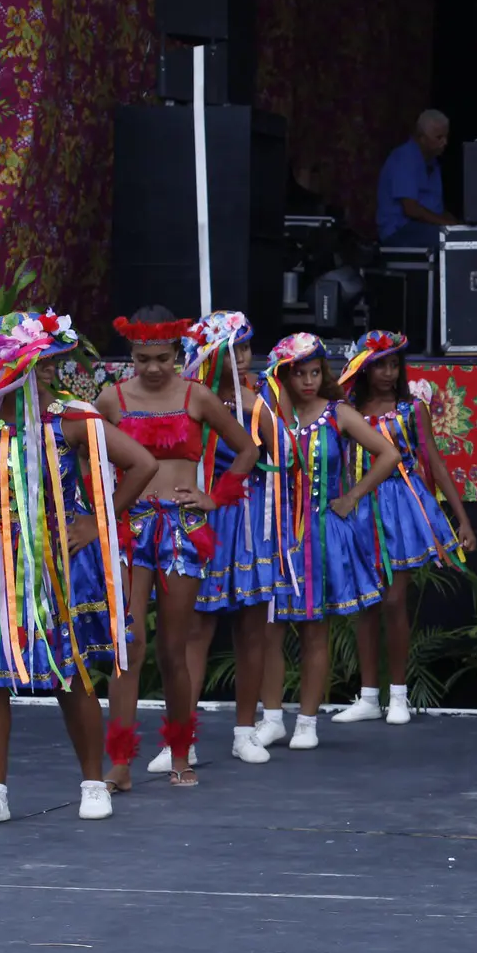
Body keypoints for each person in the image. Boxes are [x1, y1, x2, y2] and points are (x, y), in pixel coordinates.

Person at [0, 310, 156, 827]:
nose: (44, 372)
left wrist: (94, 524)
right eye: (34, 364)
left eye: (48, 364)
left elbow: (142, 464)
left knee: (73, 673)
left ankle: (93, 783)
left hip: (55, 563)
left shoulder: (71, 416)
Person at [95, 308, 260, 789]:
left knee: (173, 646)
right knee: (129, 645)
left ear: (177, 354)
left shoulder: (197, 396)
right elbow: (83, 451)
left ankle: (181, 754)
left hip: (182, 531)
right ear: (131, 355)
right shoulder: (111, 399)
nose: (152, 368)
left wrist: (214, 497)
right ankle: (121, 763)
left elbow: (246, 449)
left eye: (162, 358)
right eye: (143, 358)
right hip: (131, 529)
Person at [256, 334, 402, 749]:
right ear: (283, 375)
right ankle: (271, 718)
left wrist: (352, 496)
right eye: (299, 373)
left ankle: (306, 722)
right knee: (269, 629)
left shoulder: (338, 413)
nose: (307, 381)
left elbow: (388, 455)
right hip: (276, 534)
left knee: (314, 631)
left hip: (321, 534)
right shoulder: (269, 416)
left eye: (315, 372)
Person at [328, 331, 477, 726]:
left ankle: (398, 695)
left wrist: (461, 519)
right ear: (363, 368)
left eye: (395, 364)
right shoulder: (344, 410)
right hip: (358, 508)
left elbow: (437, 463)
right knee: (366, 604)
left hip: (403, 507)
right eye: (380, 365)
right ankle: (367, 697)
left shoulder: (412, 410)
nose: (389, 372)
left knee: (394, 601)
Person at [178, 311, 284, 766]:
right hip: (203, 520)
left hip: (250, 520)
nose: (244, 358)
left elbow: (287, 456)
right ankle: (181, 737)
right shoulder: (189, 399)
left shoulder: (259, 400)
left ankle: (245, 732)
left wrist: (255, 410)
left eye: (247, 348)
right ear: (210, 355)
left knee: (251, 630)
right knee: (195, 629)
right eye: (234, 350)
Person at [377, 110, 458, 249]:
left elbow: (436, 209)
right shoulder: (405, 158)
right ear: (421, 138)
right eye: (439, 138)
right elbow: (411, 209)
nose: (445, 143)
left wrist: (458, 224)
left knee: (464, 236)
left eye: (446, 137)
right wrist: (447, 225)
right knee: (452, 241)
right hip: (399, 230)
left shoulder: (432, 162)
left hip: (424, 227)